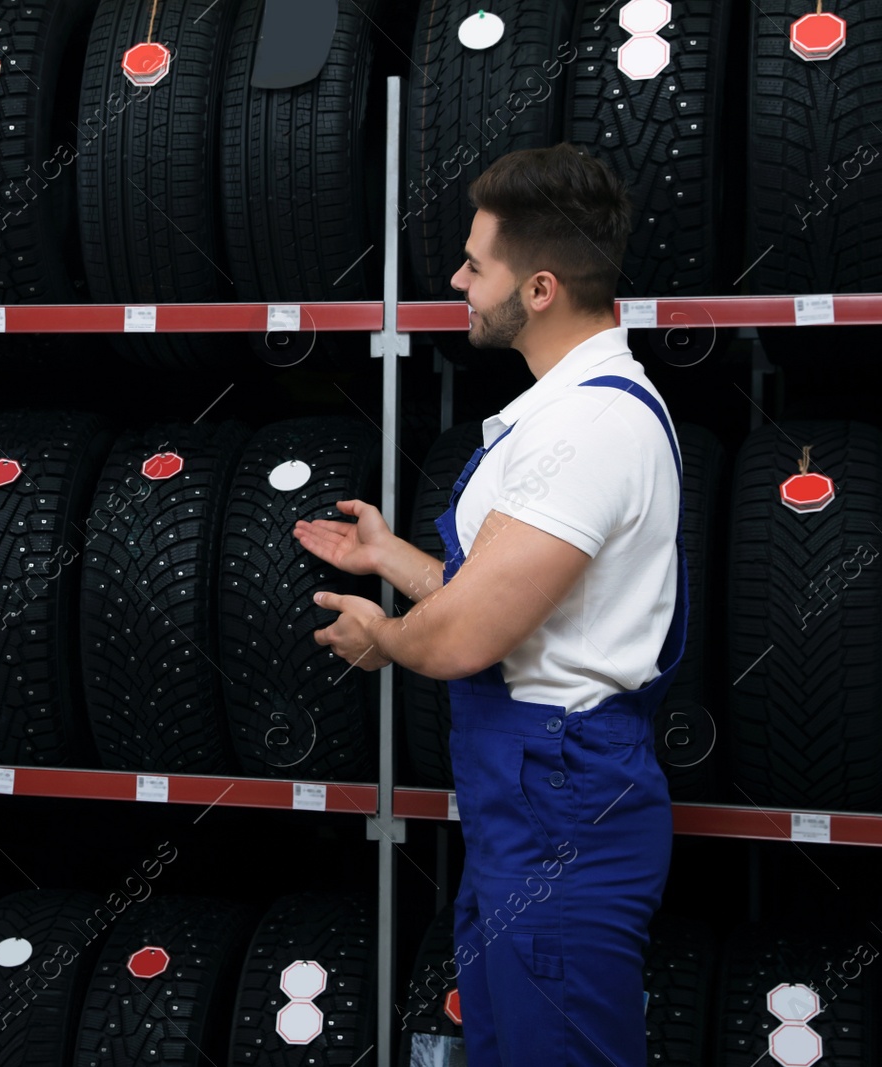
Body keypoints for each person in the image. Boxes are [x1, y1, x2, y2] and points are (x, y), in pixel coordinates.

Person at [295, 143, 681, 1067]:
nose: (460, 280)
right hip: (534, 793)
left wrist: (384, 638)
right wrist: (398, 561)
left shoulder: (590, 426)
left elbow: (468, 635)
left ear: (540, 288)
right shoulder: (568, 410)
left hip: (563, 800)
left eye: (477, 263)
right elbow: (519, 607)